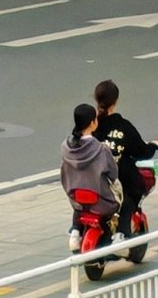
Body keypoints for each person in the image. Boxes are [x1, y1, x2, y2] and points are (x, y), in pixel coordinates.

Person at [91, 79, 158, 235]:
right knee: (134, 191)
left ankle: (76, 230)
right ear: (116, 100)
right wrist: (153, 146)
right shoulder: (123, 126)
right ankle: (122, 231)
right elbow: (141, 151)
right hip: (117, 179)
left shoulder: (91, 124)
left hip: (92, 177)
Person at [60, 100, 118, 239]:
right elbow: (113, 173)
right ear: (93, 123)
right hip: (100, 200)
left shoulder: (66, 147)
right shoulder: (101, 149)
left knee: (80, 209)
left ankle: (75, 230)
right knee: (117, 204)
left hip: (76, 197)